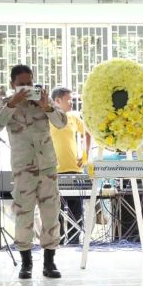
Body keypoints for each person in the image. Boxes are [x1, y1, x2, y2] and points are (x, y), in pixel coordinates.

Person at [0, 64, 67, 279]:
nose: (26, 87)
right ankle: (26, 263)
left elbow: (62, 123)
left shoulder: (44, 100)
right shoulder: (5, 103)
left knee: (50, 213)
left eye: (29, 83)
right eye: (21, 84)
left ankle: (49, 262)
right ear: (12, 84)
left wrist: (47, 107)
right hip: (23, 168)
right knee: (23, 214)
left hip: (47, 167)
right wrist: (12, 104)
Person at [49, 86, 91, 244]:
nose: (72, 103)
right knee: (56, 210)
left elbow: (87, 133)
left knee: (76, 209)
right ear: (57, 101)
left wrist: (85, 154)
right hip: (54, 171)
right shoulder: (47, 118)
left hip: (75, 169)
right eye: (69, 100)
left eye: (72, 100)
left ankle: (74, 241)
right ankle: (57, 241)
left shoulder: (74, 117)